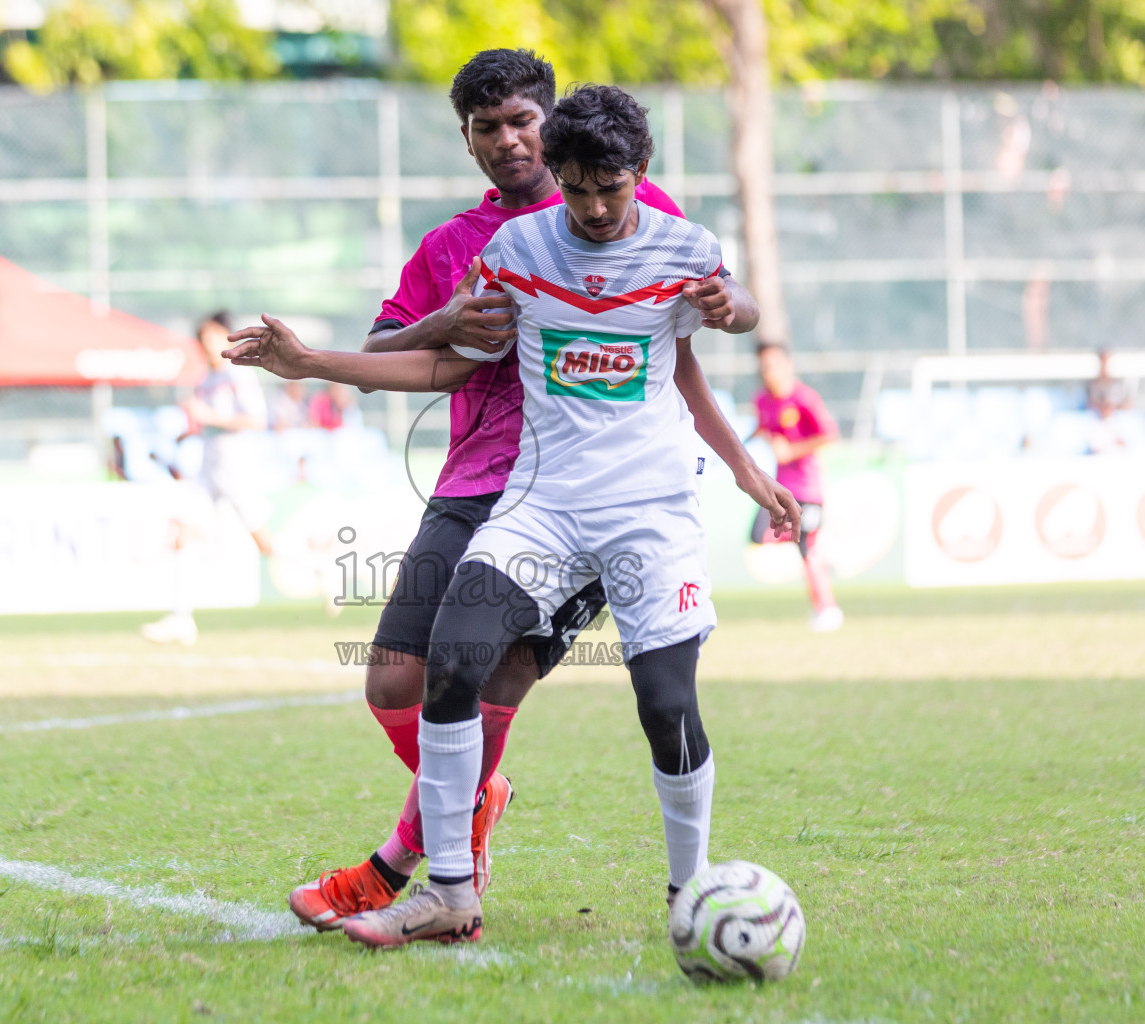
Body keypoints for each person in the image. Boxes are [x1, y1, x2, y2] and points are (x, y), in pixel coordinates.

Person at [229, 50, 795, 934]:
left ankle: (407, 864)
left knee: (564, 688)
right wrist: (373, 341)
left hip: (629, 500)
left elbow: (686, 346)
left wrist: (743, 462)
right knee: (402, 677)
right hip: (495, 488)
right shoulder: (483, 247)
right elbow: (416, 352)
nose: (508, 141)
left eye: (522, 121)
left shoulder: (663, 227)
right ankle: (459, 843)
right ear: (466, 140)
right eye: (487, 128)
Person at [141, 311, 274, 646]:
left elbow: (256, 420)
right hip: (209, 467)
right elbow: (205, 424)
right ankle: (181, 618)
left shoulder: (240, 375)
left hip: (236, 468)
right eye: (203, 339)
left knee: (264, 543)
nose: (207, 344)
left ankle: (322, 573)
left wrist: (209, 416)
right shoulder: (206, 380)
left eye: (213, 337)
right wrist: (185, 434)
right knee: (185, 531)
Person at [751, 341, 843, 631]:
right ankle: (823, 557)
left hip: (808, 488)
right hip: (779, 489)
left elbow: (829, 434)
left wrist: (792, 450)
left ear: (788, 365)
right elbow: (763, 429)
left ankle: (827, 609)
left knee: (807, 549)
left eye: (774, 364)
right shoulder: (762, 400)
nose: (769, 371)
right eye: (764, 366)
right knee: (757, 535)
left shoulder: (805, 398)